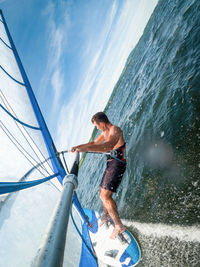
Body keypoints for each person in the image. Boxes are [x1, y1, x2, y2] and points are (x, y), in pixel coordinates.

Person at [70, 112, 127, 239]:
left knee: (105, 196)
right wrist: (77, 147)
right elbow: (93, 144)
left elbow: (109, 146)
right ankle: (106, 216)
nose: (97, 128)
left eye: (96, 125)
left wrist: (87, 149)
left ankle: (119, 226)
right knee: (101, 192)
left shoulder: (115, 130)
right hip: (110, 164)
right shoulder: (104, 134)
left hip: (118, 164)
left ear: (102, 123)